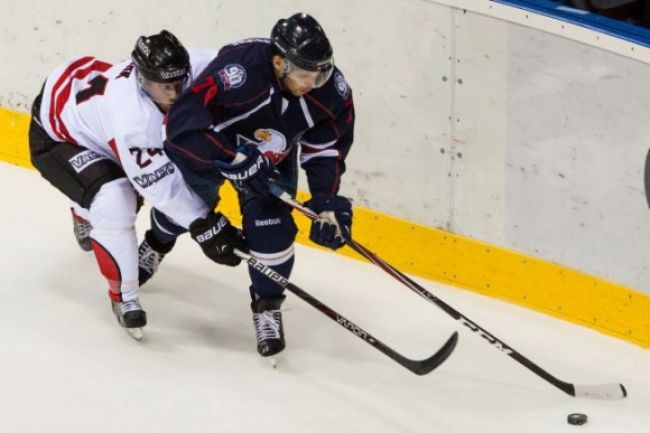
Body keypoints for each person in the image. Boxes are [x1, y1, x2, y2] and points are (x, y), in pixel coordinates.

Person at [162, 13, 356, 358]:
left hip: (271, 160)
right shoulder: (239, 71)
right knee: (183, 210)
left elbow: (326, 148)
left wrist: (325, 201)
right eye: (303, 74)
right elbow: (183, 122)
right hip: (214, 150)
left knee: (274, 234)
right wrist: (231, 159)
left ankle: (267, 307)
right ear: (279, 62)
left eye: (319, 73)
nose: (312, 82)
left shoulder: (331, 91)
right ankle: (155, 245)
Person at [28, 30, 244, 339]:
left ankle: (84, 208)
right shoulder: (132, 119)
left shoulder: (190, 68)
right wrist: (206, 225)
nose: (174, 94)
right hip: (59, 136)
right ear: (142, 80)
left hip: (85, 104)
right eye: (164, 87)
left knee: (124, 184)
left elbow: (239, 65)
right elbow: (162, 186)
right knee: (115, 199)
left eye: (178, 83)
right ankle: (123, 295)